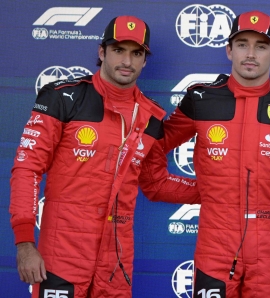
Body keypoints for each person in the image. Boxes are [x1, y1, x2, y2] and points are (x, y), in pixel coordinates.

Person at [10, 15, 199, 298]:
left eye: (136, 53)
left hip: (117, 258)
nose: (127, 61)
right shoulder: (63, 98)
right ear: (102, 52)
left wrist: (215, 190)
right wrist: (24, 243)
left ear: (145, 60)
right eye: (118, 50)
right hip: (63, 250)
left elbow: (156, 184)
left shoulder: (151, 117)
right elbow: (27, 169)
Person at [158, 10, 270, 298]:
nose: (250, 54)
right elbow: (153, 145)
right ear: (229, 50)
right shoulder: (201, 98)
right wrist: (187, 189)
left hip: (269, 245)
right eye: (242, 44)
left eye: (261, 46)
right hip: (215, 242)